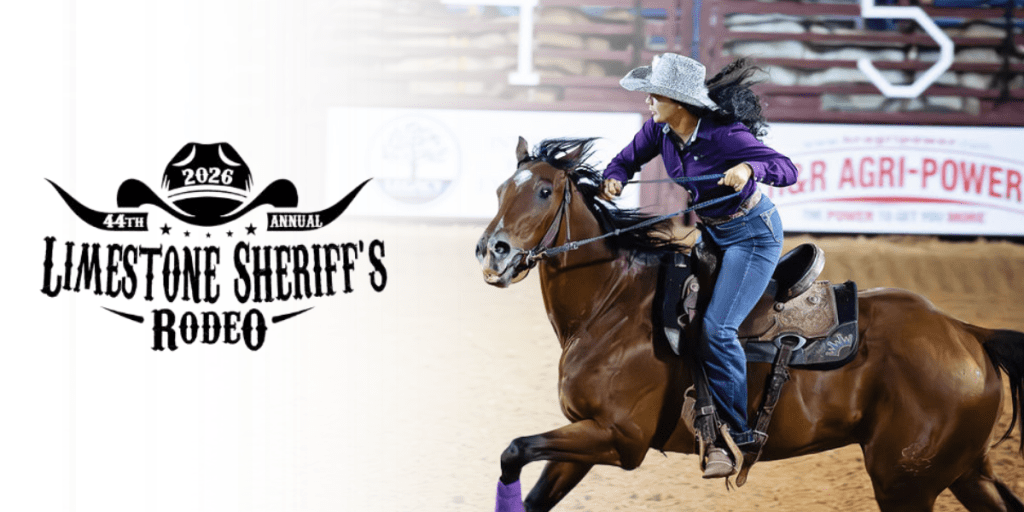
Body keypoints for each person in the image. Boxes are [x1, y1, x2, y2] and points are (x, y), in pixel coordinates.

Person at [599, 53, 798, 478]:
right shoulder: (659, 130)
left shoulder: (725, 135)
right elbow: (625, 160)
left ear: (679, 101)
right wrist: (614, 176)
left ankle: (736, 434)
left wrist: (749, 167)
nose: (648, 100)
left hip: (752, 236)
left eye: (655, 94)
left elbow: (787, 169)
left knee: (717, 329)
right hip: (713, 235)